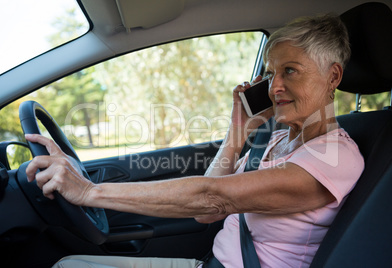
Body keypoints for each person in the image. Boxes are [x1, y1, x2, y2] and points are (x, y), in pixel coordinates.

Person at [25, 13, 364, 268]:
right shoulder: (277, 141)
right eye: (270, 73)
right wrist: (237, 133)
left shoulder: (335, 157)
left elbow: (211, 198)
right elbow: (207, 214)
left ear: (332, 76)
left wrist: (88, 192)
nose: (274, 87)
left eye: (290, 71)